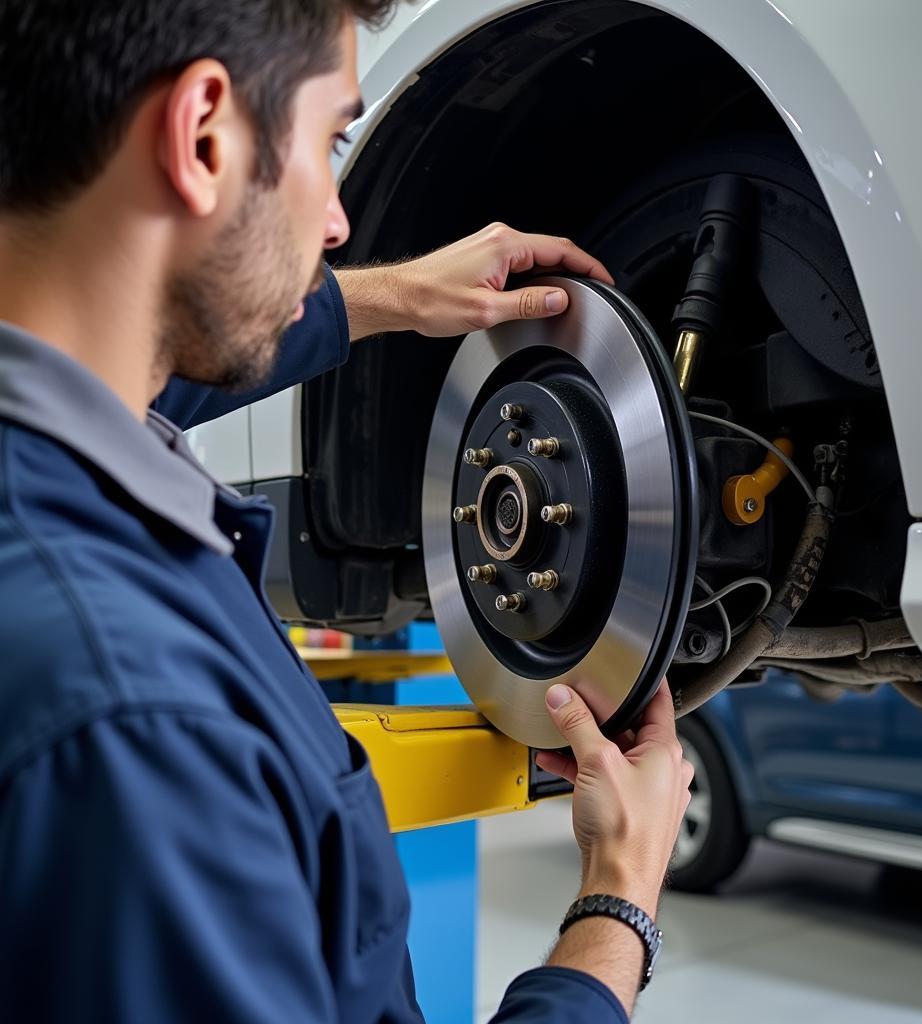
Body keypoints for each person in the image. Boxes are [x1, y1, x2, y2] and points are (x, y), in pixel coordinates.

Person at [0, 2, 692, 1021]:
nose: (337, 223)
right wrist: (614, 904)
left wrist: (395, 295)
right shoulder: (143, 730)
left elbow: (139, 367)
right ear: (201, 137)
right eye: (330, 142)